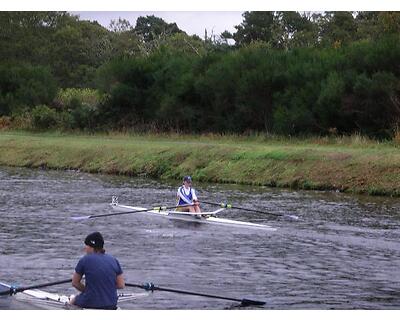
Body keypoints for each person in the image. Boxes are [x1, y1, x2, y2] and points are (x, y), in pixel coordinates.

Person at [70, 231, 125, 309]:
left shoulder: (84, 260)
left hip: (90, 302)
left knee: (73, 299)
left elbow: (75, 283)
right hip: (111, 303)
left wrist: (87, 290)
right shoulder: (114, 260)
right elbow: (121, 285)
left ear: (91, 247)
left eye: (86, 245)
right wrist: (106, 288)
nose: (85, 248)